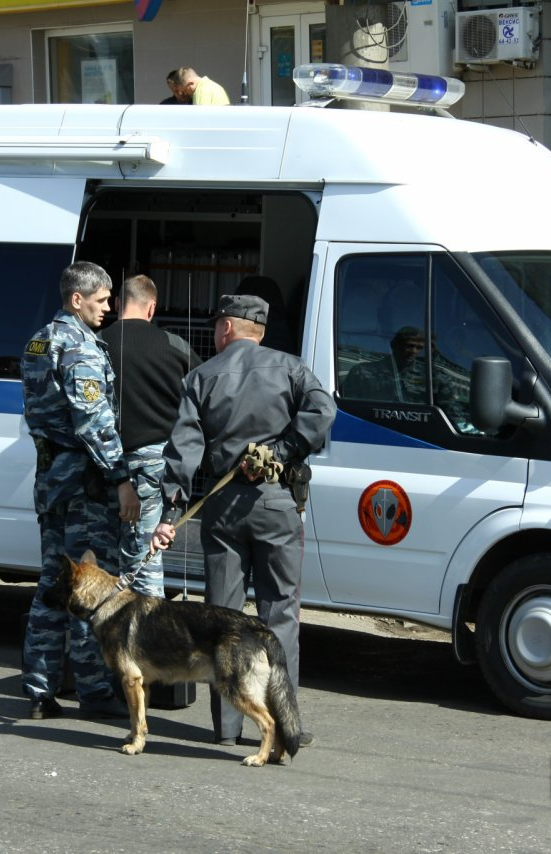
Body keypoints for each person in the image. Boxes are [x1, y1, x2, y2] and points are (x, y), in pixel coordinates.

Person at [150, 294, 335, 747]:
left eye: (217, 327)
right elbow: (323, 411)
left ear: (227, 329)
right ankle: (284, 726)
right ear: (260, 331)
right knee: (280, 615)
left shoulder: (201, 377)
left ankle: (227, 729)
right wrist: (286, 450)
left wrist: (171, 513)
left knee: (224, 619)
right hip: (276, 504)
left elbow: (183, 454)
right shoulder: (290, 368)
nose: (215, 334)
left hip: (222, 508)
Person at [20, 261, 141, 721]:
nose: (109, 308)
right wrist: (121, 478)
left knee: (53, 586)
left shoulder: (39, 339)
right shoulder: (79, 348)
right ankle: (93, 691)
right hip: (82, 490)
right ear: (77, 299)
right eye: (103, 299)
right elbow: (94, 422)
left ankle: (39, 691)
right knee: (92, 589)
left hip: (52, 482)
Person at [98, 274, 200, 593]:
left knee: (101, 556)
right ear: (152, 307)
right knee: (144, 556)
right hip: (153, 465)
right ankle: (148, 636)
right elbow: (202, 398)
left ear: (116, 304)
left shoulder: (95, 344)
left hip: (101, 463)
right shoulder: (176, 346)